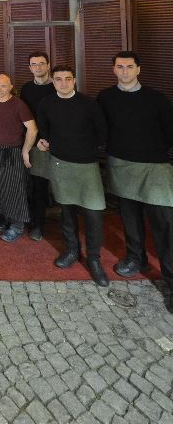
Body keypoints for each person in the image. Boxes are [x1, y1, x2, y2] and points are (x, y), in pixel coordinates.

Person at [97, 51, 173, 310]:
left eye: (129, 67)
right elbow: (99, 129)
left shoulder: (157, 99)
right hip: (121, 165)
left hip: (155, 167)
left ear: (138, 69)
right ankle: (135, 258)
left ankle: (170, 279)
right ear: (114, 70)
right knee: (129, 218)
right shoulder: (105, 97)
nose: (125, 71)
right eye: (120, 67)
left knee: (165, 224)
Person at [37, 66, 108, 286]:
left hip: (87, 164)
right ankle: (71, 250)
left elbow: (102, 132)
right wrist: (46, 142)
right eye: (58, 79)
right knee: (67, 212)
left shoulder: (88, 103)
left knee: (93, 214)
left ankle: (94, 258)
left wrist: (85, 149)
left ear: (74, 81)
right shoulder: (46, 103)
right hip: (61, 163)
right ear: (53, 81)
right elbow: (44, 129)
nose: (63, 83)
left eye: (68, 79)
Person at [0, 74, 37, 243]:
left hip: (13, 153)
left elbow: (32, 129)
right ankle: (6, 219)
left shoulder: (18, 104)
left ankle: (17, 226)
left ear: (10, 87)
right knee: (0, 188)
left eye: (3, 86)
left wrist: (25, 150)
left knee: (15, 190)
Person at [20, 53, 55, 242]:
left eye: (42, 64)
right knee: (36, 185)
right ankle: (36, 223)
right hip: (34, 143)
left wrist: (50, 139)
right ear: (30, 68)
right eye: (34, 64)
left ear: (48, 65)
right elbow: (25, 118)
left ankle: (59, 225)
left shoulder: (57, 85)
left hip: (56, 142)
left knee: (54, 186)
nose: (38, 67)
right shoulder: (26, 89)